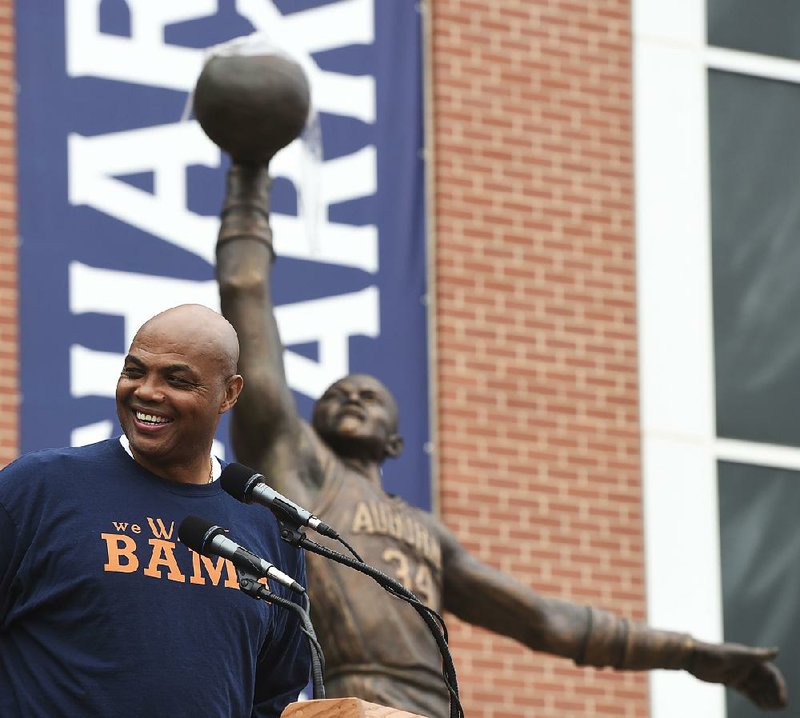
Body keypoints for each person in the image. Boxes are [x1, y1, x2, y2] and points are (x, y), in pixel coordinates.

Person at [215, 164, 787, 717]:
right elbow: (246, 293)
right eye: (336, 394)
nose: (352, 398)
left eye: (370, 395)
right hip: (345, 700)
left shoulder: (429, 536)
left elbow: (545, 621)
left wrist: (690, 653)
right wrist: (249, 177)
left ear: (396, 443)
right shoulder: (304, 471)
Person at [0, 304, 310, 718]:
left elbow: (273, 697)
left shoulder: (268, 523)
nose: (146, 391)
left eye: (177, 380)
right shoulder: (38, 487)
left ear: (229, 394)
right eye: (134, 371)